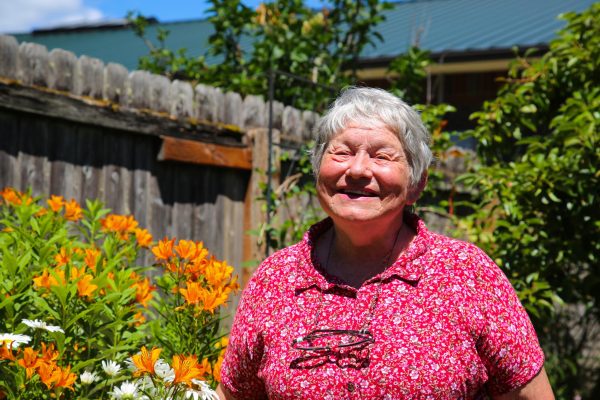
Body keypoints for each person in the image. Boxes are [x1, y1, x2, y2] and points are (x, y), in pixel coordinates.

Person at [217, 87, 554, 399]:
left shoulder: (465, 272)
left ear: (416, 184)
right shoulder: (276, 278)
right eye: (342, 152)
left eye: (382, 156)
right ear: (317, 167)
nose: (359, 169)